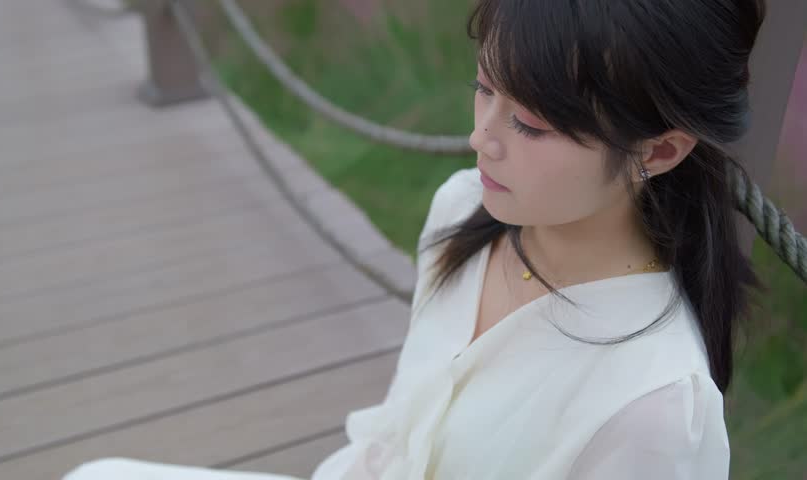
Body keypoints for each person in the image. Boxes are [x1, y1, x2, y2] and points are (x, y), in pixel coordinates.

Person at [62, 0, 769, 478]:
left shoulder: (653, 407)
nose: (482, 138)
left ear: (660, 150)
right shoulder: (463, 209)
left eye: (530, 125)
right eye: (484, 88)